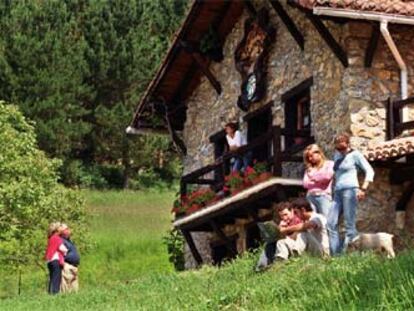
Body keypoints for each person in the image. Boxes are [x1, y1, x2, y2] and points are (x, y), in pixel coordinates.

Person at [328, 133, 375, 255]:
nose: (340, 149)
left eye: (342, 146)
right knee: (330, 223)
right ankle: (336, 255)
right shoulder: (337, 155)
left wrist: (363, 189)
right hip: (337, 192)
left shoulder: (355, 155)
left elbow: (370, 171)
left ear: (348, 144)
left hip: (350, 190)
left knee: (349, 225)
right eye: (337, 146)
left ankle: (351, 255)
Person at [256, 202, 303, 271]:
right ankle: (262, 266)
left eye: (286, 214)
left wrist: (284, 231)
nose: (284, 218)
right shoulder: (285, 222)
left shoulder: (298, 219)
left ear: (292, 211)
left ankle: (277, 264)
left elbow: (298, 233)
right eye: (281, 216)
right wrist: (278, 230)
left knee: (279, 242)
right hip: (285, 244)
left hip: (296, 246)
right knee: (269, 244)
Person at [303, 144, 334, 218]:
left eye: (311, 156)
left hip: (324, 196)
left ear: (319, 153)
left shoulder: (330, 164)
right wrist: (319, 179)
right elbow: (305, 184)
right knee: (313, 220)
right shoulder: (309, 168)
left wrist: (313, 176)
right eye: (308, 157)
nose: (310, 159)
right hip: (310, 196)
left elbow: (327, 177)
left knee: (327, 220)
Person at [45, 222, 67, 294]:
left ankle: (50, 293)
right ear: (57, 229)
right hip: (55, 260)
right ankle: (55, 294)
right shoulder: (57, 238)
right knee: (56, 278)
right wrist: (66, 252)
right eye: (60, 226)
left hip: (49, 261)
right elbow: (63, 248)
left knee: (51, 278)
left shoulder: (51, 238)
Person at [59, 223, 80, 293]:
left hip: (74, 267)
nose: (69, 231)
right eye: (66, 229)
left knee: (74, 290)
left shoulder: (69, 241)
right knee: (66, 289)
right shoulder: (61, 241)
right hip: (67, 266)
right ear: (61, 232)